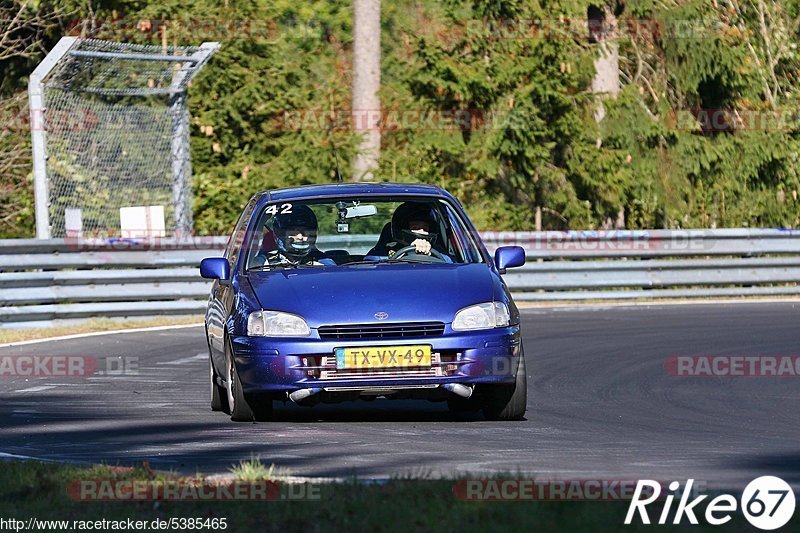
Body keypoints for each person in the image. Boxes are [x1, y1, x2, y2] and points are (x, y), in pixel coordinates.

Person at [367, 201, 452, 261]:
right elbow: (369, 262)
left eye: (425, 228)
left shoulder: (437, 251)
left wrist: (431, 255)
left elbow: (452, 265)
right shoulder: (386, 249)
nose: (422, 231)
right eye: (415, 227)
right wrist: (399, 258)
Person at [255, 205, 334, 267]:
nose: (300, 237)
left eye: (305, 231)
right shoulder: (265, 263)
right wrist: (261, 221)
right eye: (293, 231)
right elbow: (248, 272)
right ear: (281, 233)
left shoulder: (324, 264)